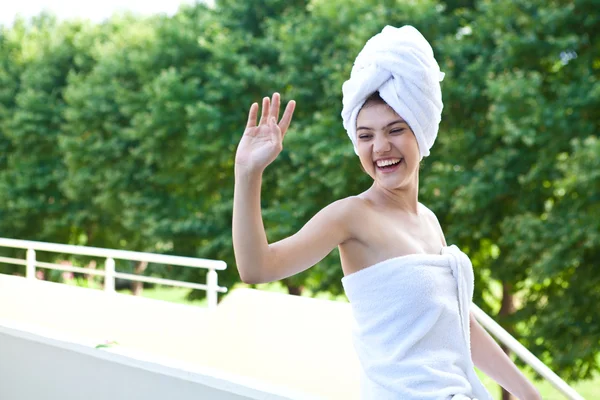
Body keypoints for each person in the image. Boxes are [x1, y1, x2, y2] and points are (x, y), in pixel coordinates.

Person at [233, 25, 541, 400]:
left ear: (421, 133)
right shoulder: (350, 216)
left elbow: (459, 326)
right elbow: (257, 267)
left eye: (395, 130)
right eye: (365, 135)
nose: (380, 147)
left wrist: (529, 394)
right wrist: (248, 174)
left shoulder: (429, 222)